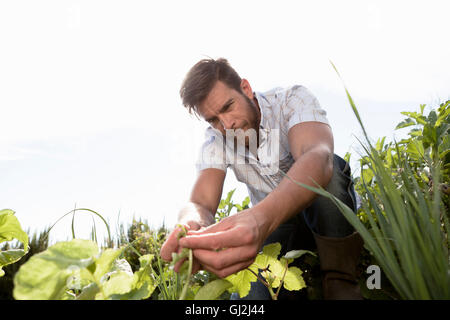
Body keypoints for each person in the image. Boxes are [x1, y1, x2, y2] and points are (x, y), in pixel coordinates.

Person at [160, 57, 364, 300]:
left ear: (246, 88)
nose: (227, 124)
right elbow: (200, 204)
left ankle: (340, 281)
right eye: (213, 119)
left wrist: (260, 218)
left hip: (324, 216)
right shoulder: (215, 141)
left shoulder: (291, 100)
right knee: (250, 298)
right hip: (278, 228)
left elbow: (317, 157)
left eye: (228, 106)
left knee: (330, 174)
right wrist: (190, 224)